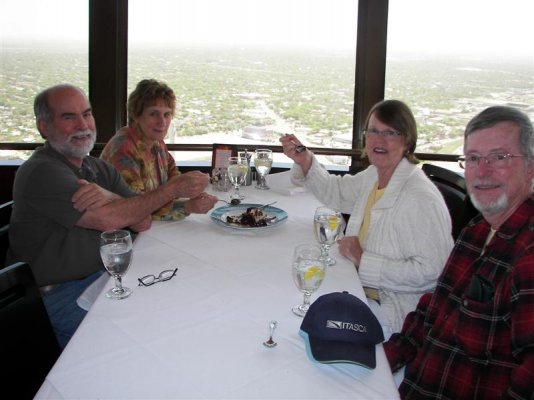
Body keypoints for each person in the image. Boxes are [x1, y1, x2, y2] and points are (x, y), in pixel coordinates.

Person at [7, 84, 210, 348]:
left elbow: (142, 221)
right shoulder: (42, 171)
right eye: (69, 117)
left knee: (183, 300)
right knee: (149, 335)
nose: (83, 124)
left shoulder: (97, 168)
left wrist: (112, 197)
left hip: (102, 278)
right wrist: (170, 190)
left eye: (86, 114)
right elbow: (106, 220)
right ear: (44, 127)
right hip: (56, 296)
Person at [384, 106, 534, 399]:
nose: (483, 171)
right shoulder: (476, 231)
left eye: (499, 157)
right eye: (474, 158)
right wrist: (382, 360)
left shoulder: (528, 254)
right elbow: (435, 307)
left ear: (531, 167)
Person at [280, 99, 454, 335]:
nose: (379, 140)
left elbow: (434, 272)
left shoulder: (419, 197)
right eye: (373, 131)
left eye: (390, 133)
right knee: (288, 297)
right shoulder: (377, 174)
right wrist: (305, 160)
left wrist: (364, 259)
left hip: (394, 312)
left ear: (407, 140)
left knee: (301, 324)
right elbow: (337, 192)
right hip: (360, 289)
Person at [101, 79, 217, 220]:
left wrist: (193, 190)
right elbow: (136, 210)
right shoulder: (123, 150)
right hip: (124, 233)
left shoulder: (155, 142)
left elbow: (172, 174)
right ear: (135, 115)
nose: (162, 122)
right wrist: (187, 207)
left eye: (167, 114)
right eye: (153, 114)